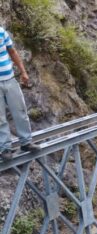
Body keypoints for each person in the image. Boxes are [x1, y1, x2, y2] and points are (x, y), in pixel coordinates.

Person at [0, 26, 40, 161]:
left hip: (10, 79)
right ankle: (4, 148)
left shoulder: (1, 31)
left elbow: (12, 51)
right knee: (0, 118)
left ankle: (26, 142)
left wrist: (23, 72)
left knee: (20, 111)